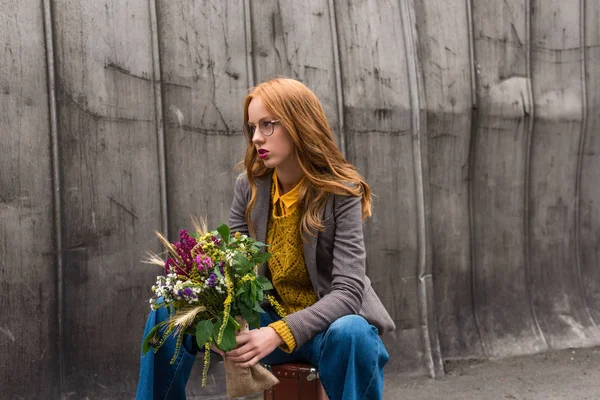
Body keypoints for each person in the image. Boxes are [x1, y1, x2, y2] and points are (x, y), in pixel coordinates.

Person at [136, 78, 395, 400]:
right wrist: (218, 318)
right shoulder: (250, 186)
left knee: (353, 331)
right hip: (264, 321)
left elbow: (348, 291)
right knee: (167, 309)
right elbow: (235, 271)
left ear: (300, 124)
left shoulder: (341, 192)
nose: (257, 137)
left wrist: (277, 333)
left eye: (268, 125)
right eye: (253, 127)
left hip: (323, 331)